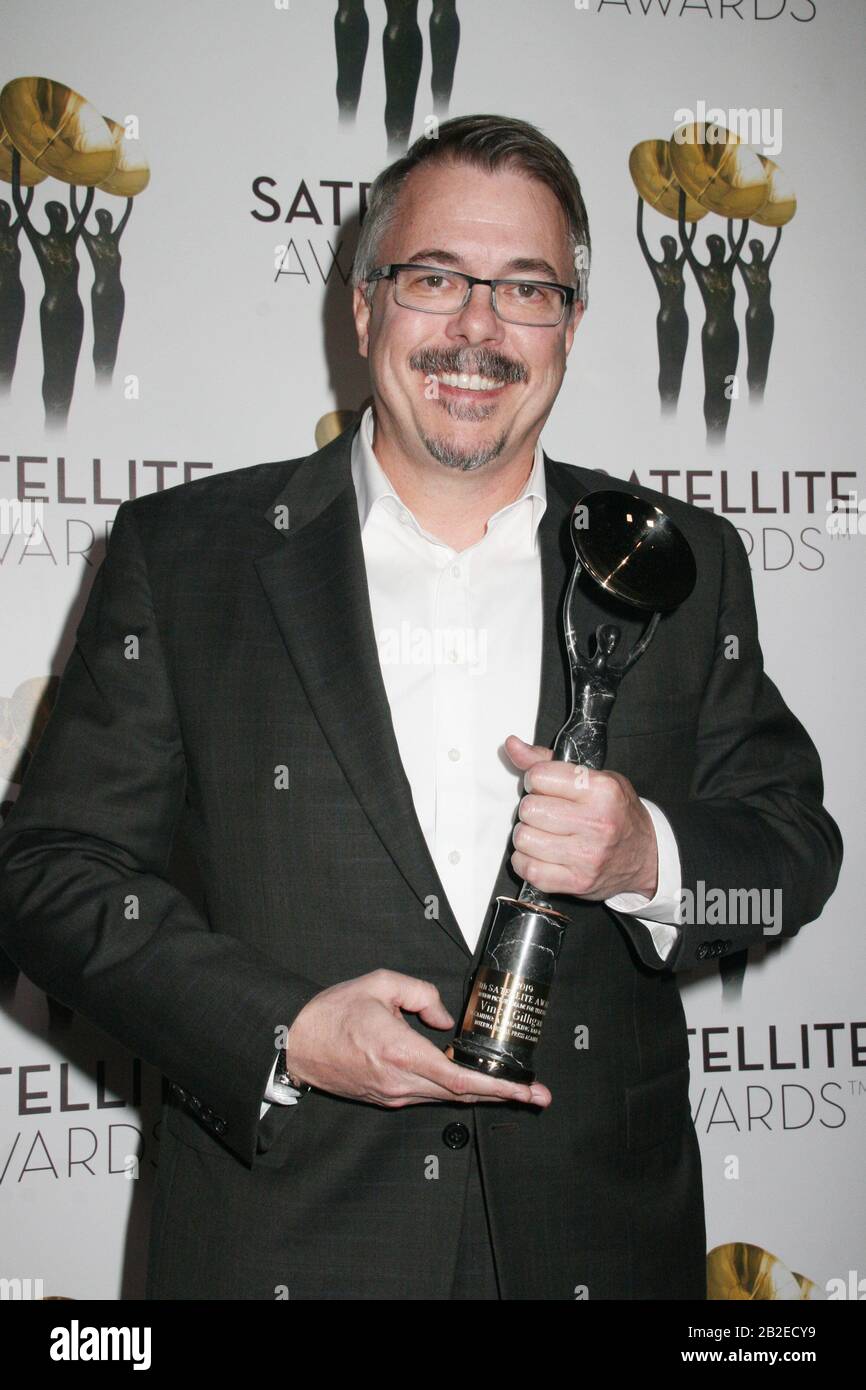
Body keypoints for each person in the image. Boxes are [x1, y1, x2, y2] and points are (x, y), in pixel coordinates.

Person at [0, 115, 842, 1301]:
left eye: (526, 289)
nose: (477, 330)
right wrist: (281, 1028)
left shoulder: (680, 558)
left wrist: (650, 852)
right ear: (362, 307)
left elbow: (790, 852)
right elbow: (46, 870)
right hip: (281, 1240)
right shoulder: (185, 557)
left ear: (570, 326)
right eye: (435, 278)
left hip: (596, 1248)